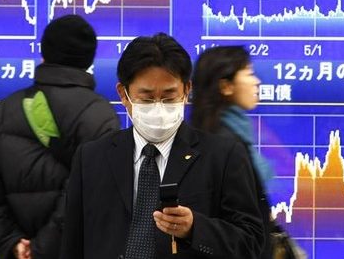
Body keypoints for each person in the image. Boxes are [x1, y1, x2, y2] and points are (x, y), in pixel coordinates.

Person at [61, 33, 267, 259]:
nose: (158, 108)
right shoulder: (92, 158)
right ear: (123, 94)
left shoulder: (223, 156)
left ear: (186, 90)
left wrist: (195, 228)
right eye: (146, 99)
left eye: (169, 98)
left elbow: (251, 242)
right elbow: (73, 243)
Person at [0, 14, 120, 259]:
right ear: (89, 59)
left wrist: (13, 245)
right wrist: (43, 249)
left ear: (43, 52)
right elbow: (90, 194)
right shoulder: (101, 116)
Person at [190, 45, 275, 259]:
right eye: (249, 73)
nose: (256, 82)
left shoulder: (225, 135)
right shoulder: (225, 143)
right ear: (226, 86)